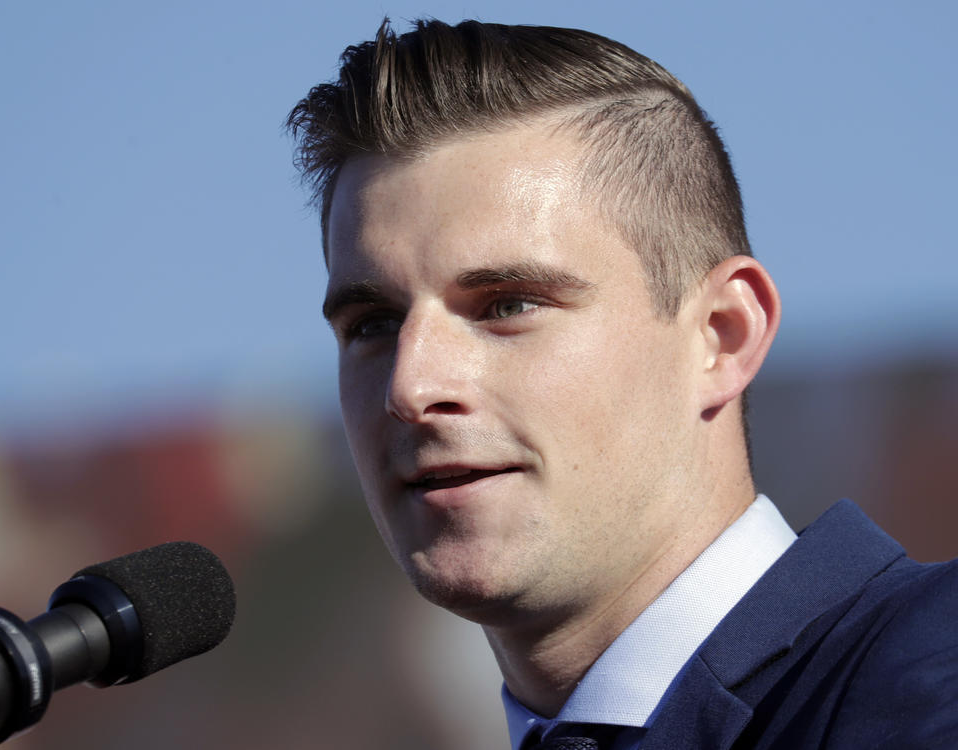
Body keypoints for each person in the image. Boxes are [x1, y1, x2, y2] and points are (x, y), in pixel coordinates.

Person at [288, 19, 958, 750]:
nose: (411, 386)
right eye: (372, 325)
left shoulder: (931, 670)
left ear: (721, 335)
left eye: (509, 305)